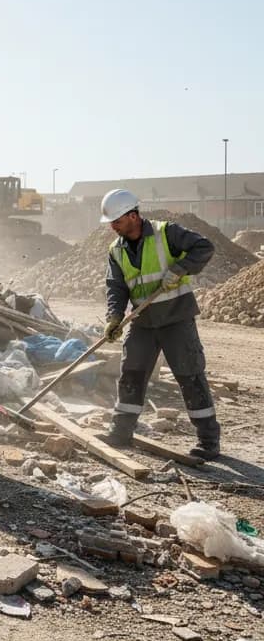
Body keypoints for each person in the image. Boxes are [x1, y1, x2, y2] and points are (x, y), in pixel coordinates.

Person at [99, 188, 222, 460]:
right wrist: (115, 317)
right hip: (142, 322)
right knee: (131, 372)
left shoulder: (167, 233)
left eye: (116, 221)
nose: (112, 227)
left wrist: (180, 269)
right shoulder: (116, 250)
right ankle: (121, 431)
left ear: (133, 216)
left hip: (175, 318)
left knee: (189, 374)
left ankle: (208, 441)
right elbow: (116, 287)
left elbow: (204, 247)